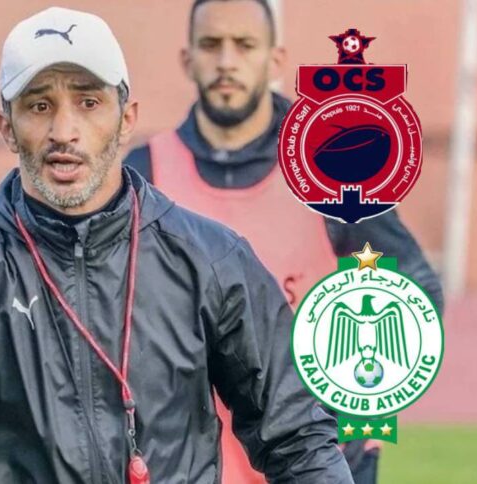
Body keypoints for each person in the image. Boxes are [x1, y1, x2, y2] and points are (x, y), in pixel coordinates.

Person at [0, 6, 353, 483]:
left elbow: (297, 437)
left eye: (88, 102)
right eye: (39, 106)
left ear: (126, 119)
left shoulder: (211, 259)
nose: (63, 131)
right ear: (7, 127)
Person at [123, 1, 445, 483]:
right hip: (195, 464)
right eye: (211, 45)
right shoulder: (143, 174)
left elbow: (415, 283)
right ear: (187, 59)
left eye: (244, 45)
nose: (226, 61)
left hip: (319, 460)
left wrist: (360, 411)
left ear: (275, 59)